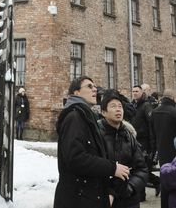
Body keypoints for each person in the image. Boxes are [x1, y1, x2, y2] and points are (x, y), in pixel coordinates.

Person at [54, 76, 130, 208]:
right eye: (89, 86)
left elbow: (96, 155)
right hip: (77, 199)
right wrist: (112, 168)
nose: (95, 89)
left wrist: (109, 192)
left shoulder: (85, 115)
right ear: (76, 92)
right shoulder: (74, 116)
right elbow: (75, 158)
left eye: (95, 86)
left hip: (88, 197)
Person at [98, 90, 151, 208]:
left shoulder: (129, 136)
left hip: (129, 199)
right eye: (113, 106)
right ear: (103, 112)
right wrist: (109, 191)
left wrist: (130, 187)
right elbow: (94, 166)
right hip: (106, 198)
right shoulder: (97, 135)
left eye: (120, 106)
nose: (118, 109)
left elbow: (142, 169)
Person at [151, 90, 176, 208]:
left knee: (164, 180)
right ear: (173, 98)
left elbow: (152, 133)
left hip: (161, 149)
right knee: (175, 181)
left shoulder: (154, 112)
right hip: (175, 151)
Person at [131, 85, 155, 162]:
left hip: (144, 140)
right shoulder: (132, 106)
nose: (134, 93)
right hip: (134, 139)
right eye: (133, 91)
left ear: (141, 92)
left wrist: (152, 142)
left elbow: (151, 123)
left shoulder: (146, 105)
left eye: (137, 91)